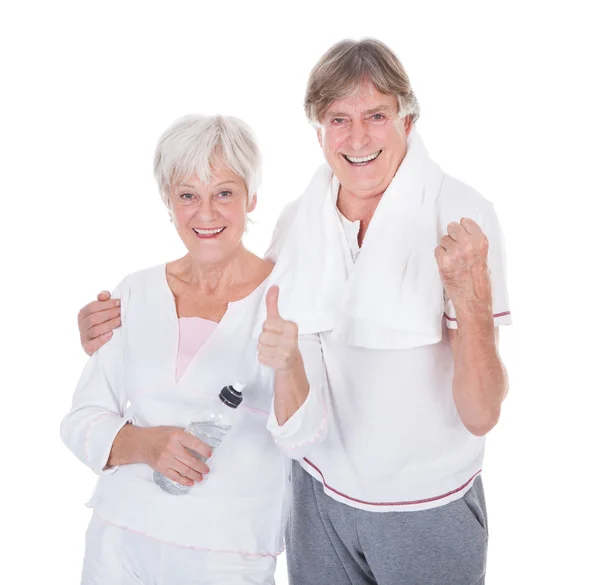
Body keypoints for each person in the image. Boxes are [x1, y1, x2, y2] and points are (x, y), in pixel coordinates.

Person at [78, 39, 511, 585]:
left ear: (409, 119)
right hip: (317, 503)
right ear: (318, 130)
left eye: (376, 115)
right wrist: (111, 326)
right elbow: (234, 308)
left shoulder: (460, 216)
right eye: (338, 119)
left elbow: (482, 415)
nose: (357, 138)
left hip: (422, 507)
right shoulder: (298, 221)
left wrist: (470, 299)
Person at [62, 114, 327, 585]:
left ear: (252, 197)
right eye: (188, 195)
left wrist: (288, 364)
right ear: (169, 202)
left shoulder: (285, 303)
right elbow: (82, 418)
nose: (206, 214)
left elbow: (305, 440)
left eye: (224, 193)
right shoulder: (135, 294)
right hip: (119, 540)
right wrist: (147, 444)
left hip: (228, 551)